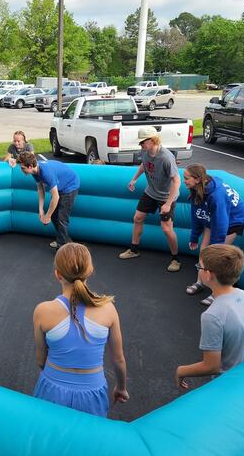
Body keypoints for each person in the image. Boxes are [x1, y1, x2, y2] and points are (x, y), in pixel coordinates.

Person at [33, 243, 129, 417]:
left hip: (52, 389)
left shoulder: (43, 311)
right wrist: (121, 388)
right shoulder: (108, 309)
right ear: (90, 271)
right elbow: (119, 359)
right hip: (92, 392)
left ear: (58, 274)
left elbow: (41, 359)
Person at [175, 244, 244, 389]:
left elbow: (211, 366)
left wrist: (181, 370)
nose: (198, 269)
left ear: (208, 275)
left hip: (230, 383)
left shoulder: (212, 316)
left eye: (200, 267)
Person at [183, 164, 244, 306]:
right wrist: (194, 237)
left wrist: (216, 249)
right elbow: (197, 215)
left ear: (197, 179)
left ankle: (217, 292)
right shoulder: (197, 189)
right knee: (204, 251)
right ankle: (200, 282)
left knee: (219, 258)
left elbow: (221, 223)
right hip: (213, 217)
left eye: (186, 178)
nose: (184, 181)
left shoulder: (216, 195)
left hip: (232, 220)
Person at [119, 126, 181, 272]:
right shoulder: (145, 152)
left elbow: (177, 181)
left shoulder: (166, 157)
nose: (140, 145)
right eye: (140, 142)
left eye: (142, 142)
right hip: (151, 192)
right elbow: (144, 165)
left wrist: (168, 203)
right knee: (137, 218)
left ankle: (176, 259)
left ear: (153, 140)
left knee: (166, 228)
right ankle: (134, 250)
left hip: (166, 196)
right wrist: (134, 179)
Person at [18, 152, 80, 249]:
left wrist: (47, 216)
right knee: (54, 215)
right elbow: (40, 190)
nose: (21, 170)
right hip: (60, 187)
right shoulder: (35, 171)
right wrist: (41, 210)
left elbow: (55, 197)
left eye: (23, 168)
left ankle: (62, 247)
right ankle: (64, 240)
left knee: (62, 217)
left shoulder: (46, 173)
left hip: (70, 186)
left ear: (30, 166)